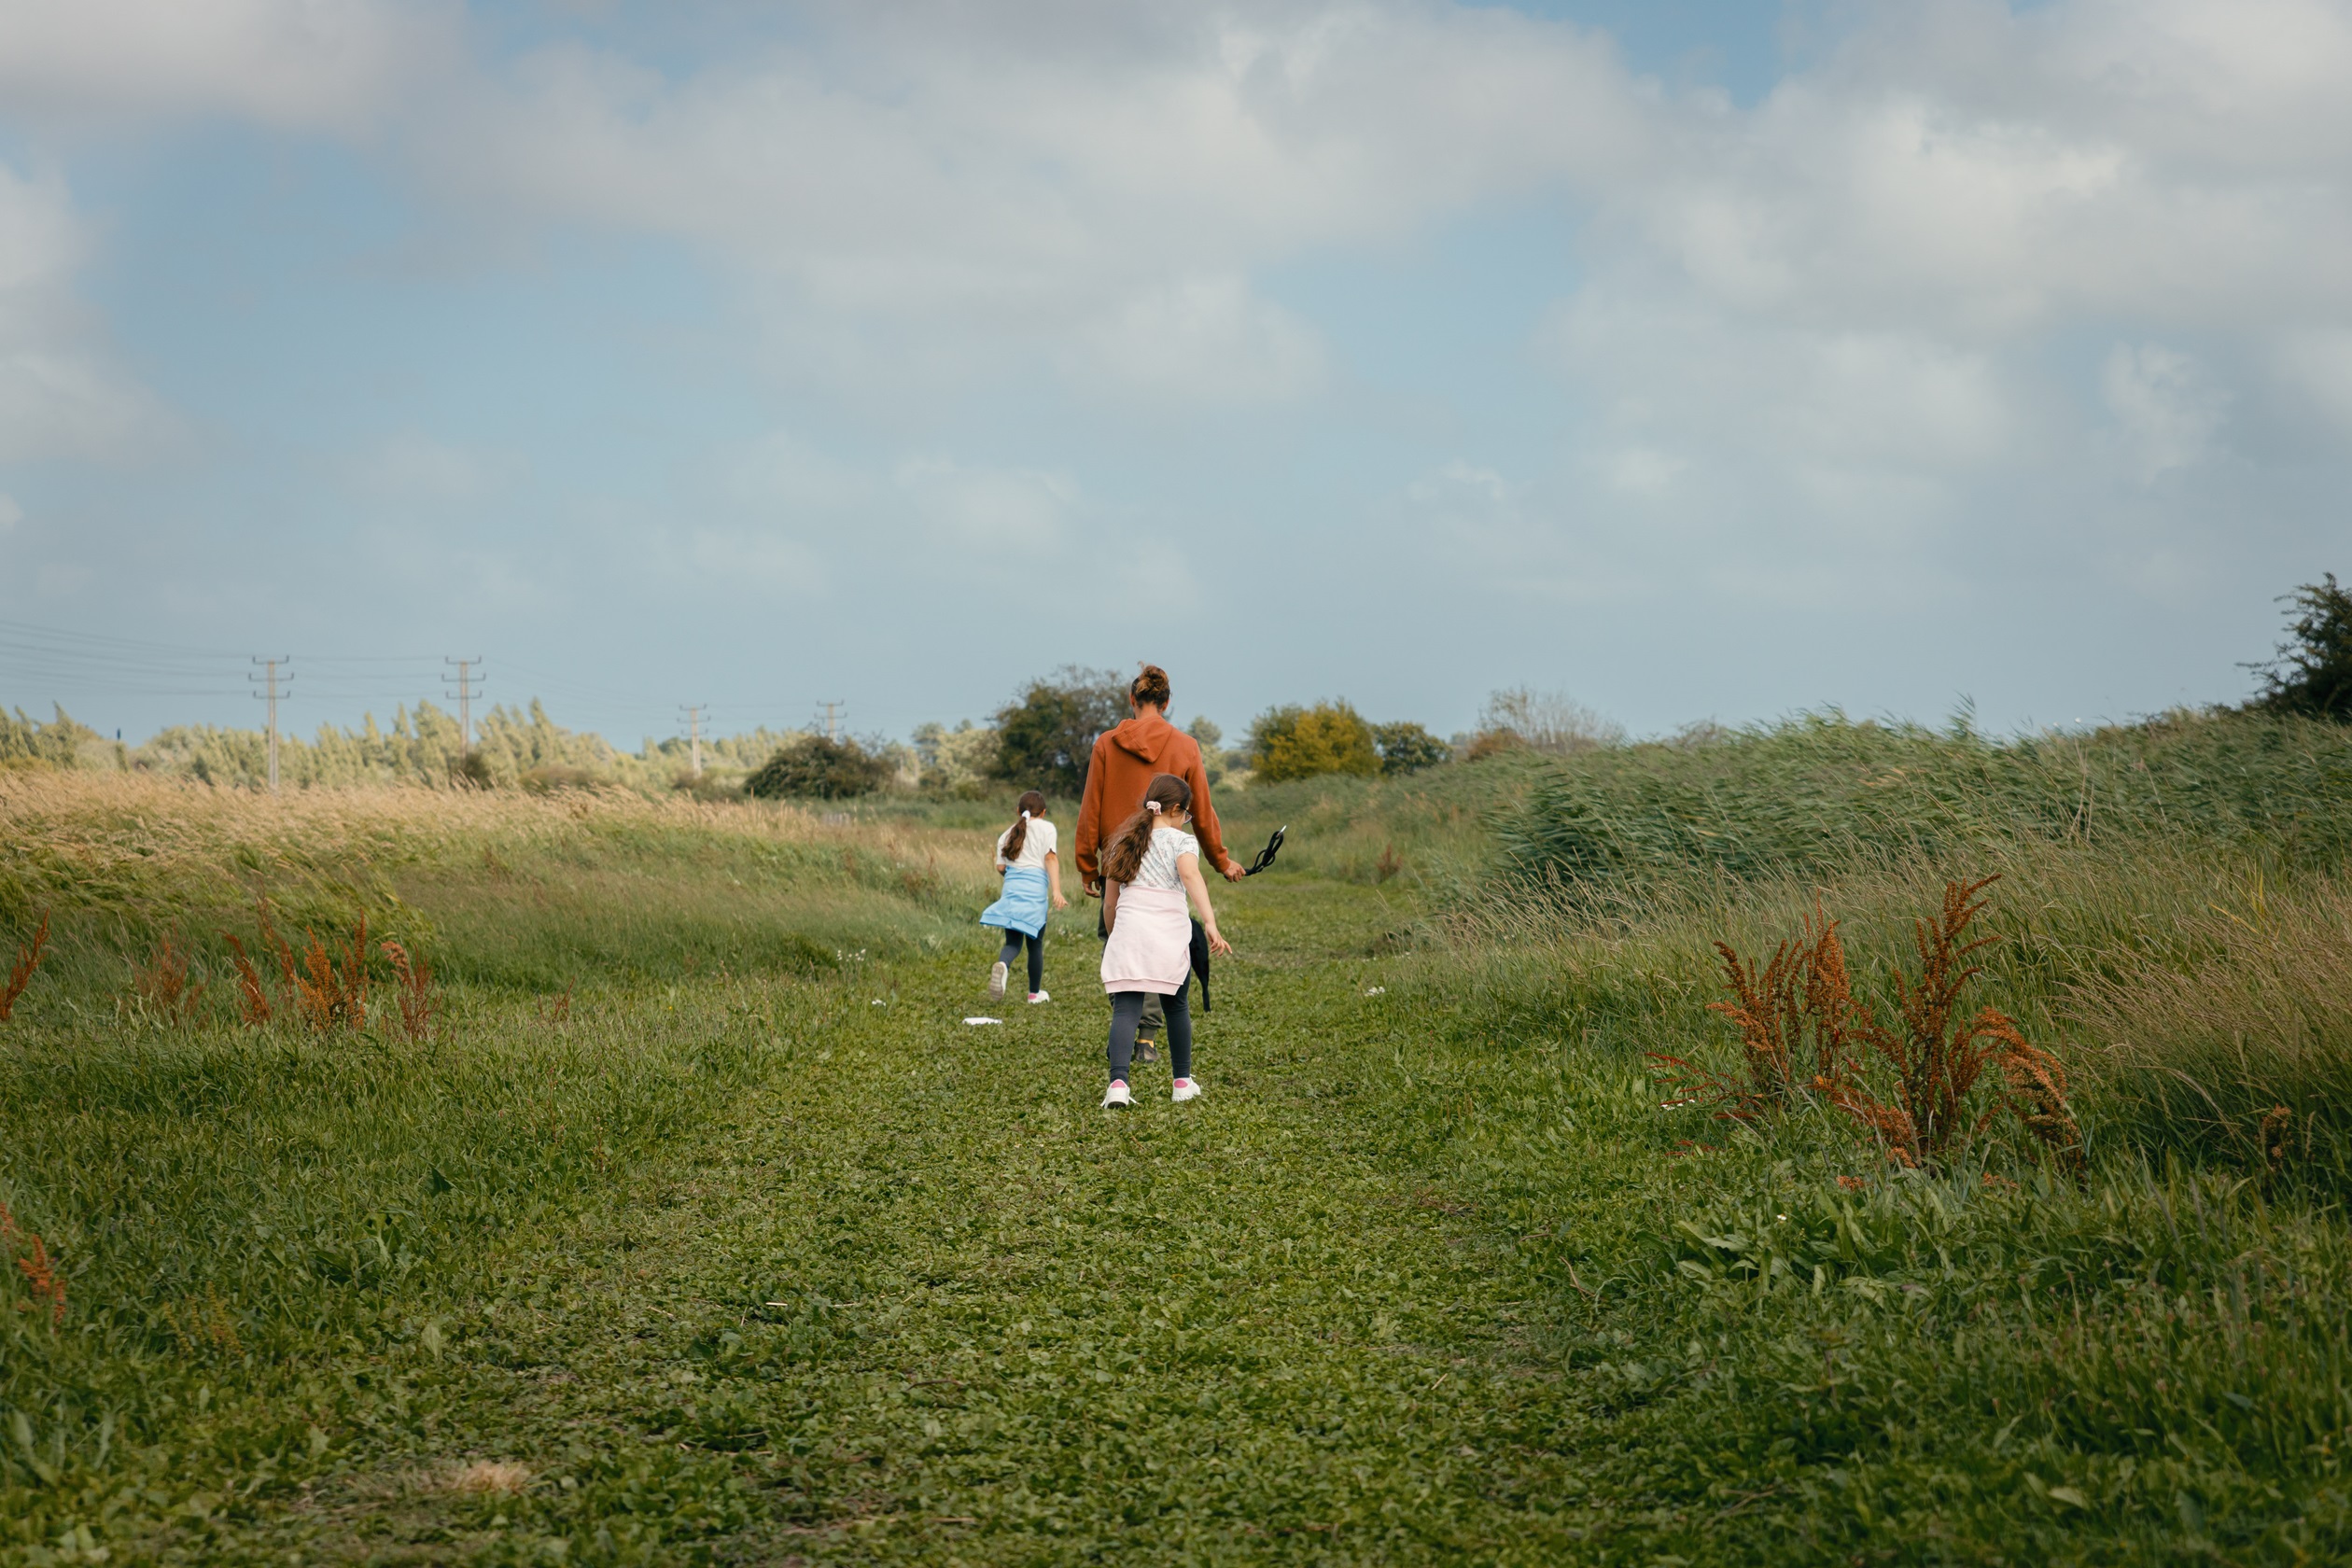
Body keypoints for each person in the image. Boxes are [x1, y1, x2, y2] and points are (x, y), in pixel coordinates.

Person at [1074, 665, 1241, 1057]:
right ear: (1166, 703)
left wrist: (1087, 864)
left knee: (1120, 938)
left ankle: (1131, 1026)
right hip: (1167, 864)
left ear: (1133, 700)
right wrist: (1221, 861)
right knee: (1165, 937)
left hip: (1121, 861)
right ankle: (1149, 1036)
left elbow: (1090, 808)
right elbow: (1201, 810)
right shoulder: (1186, 745)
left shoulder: (1105, 744)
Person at [1097, 773, 1231, 1107]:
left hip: (1130, 930)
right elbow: (1189, 874)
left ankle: (1118, 1085)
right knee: (1177, 1005)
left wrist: (1116, 935)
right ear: (1174, 809)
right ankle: (1182, 1082)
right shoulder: (1181, 842)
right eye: (1186, 815)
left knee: (1126, 1010)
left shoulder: (1121, 841)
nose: (1186, 821)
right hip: (1168, 933)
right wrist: (1210, 922)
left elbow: (1110, 901)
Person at [978, 789, 1067, 1002]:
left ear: (1018, 811)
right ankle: (1034, 994)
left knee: (1013, 943)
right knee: (1035, 944)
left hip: (1012, 890)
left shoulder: (1008, 833)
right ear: (1043, 812)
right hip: (1035, 892)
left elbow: (1001, 867)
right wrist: (1056, 891)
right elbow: (1051, 859)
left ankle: (1003, 964)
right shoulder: (1047, 828)